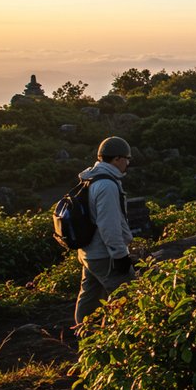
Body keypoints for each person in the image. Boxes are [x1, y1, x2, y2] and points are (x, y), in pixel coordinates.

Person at [74, 136, 135, 327]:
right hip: (104, 254)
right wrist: (120, 256)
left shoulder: (91, 178)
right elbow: (109, 225)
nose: (128, 163)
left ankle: (84, 336)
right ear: (116, 159)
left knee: (89, 298)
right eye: (127, 158)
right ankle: (117, 339)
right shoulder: (107, 185)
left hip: (88, 252)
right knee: (127, 295)